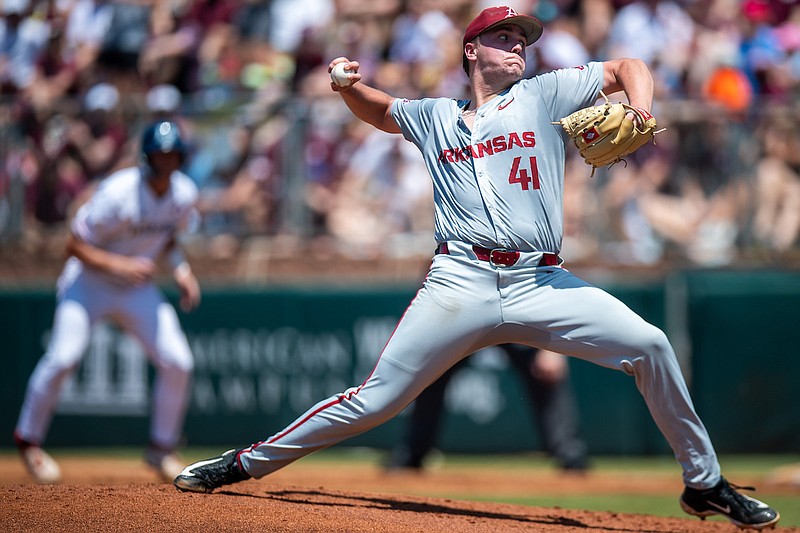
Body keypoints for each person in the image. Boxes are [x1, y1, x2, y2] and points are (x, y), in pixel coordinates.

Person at [173, 6, 780, 529]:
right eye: (505, 36)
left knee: (650, 344)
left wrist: (641, 110)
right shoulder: (436, 116)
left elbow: (628, 69)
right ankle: (243, 463)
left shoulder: (543, 94)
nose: (519, 45)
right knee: (375, 401)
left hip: (542, 280)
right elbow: (383, 111)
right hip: (458, 281)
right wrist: (345, 88)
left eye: (523, 39)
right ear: (472, 50)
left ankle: (703, 483)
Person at [14, 120, 200, 484]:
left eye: (173, 155)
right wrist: (121, 264)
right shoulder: (118, 193)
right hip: (88, 283)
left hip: (135, 288)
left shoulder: (184, 194)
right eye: (161, 156)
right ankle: (28, 441)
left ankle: (161, 449)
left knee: (178, 360)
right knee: (63, 357)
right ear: (147, 157)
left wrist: (181, 272)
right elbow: (73, 245)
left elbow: (168, 241)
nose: (167, 163)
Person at [387, 346, 589, 473]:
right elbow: (430, 283)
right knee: (431, 372)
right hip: (468, 303)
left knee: (546, 371)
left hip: (517, 306)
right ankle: (412, 453)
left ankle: (570, 455)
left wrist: (552, 348)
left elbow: (552, 283)